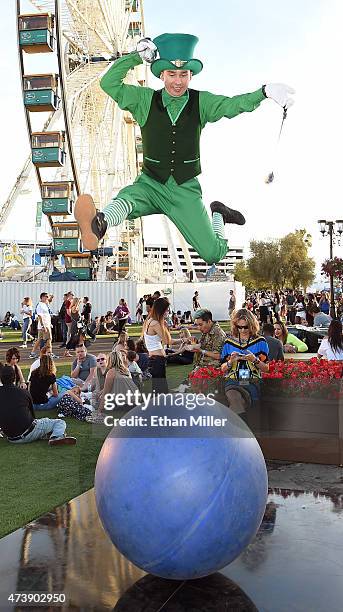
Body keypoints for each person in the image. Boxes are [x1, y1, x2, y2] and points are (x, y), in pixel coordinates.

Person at [75, 33, 294, 265]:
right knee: (128, 198)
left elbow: (232, 105)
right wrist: (136, 57)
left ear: (191, 75)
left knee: (212, 254)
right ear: (161, 74)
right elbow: (108, 83)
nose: (178, 81)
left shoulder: (202, 102)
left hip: (184, 190)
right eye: (171, 74)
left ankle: (218, 213)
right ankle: (99, 223)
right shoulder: (144, 100)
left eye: (183, 74)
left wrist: (264, 92)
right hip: (151, 183)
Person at [0, 365, 76, 446]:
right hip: (27, 433)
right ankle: (56, 437)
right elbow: (32, 417)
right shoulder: (23, 392)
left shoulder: (21, 392)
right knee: (59, 423)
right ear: (14, 377)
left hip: (11, 437)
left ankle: (47, 434)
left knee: (40, 426)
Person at [221, 309, 269, 415]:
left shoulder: (260, 342)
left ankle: (237, 429)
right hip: (233, 380)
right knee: (234, 398)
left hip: (252, 381)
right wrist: (231, 361)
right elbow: (223, 368)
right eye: (239, 327)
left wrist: (255, 360)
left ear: (252, 325)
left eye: (246, 327)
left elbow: (266, 368)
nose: (242, 330)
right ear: (235, 326)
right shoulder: (228, 343)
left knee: (239, 403)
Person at [142, 296, 172, 394]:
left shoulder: (149, 321)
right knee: (161, 390)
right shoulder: (155, 323)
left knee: (158, 388)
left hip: (155, 358)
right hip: (157, 360)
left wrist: (183, 340)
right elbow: (167, 340)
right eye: (166, 310)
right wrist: (165, 326)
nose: (167, 312)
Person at [29, 292, 52, 358]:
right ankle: (49, 353)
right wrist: (43, 325)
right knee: (48, 339)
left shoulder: (45, 304)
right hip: (44, 325)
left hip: (46, 325)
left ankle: (33, 352)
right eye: (45, 296)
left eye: (47, 297)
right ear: (41, 297)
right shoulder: (40, 305)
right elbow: (40, 316)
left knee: (40, 340)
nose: (47, 298)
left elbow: (46, 315)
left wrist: (49, 324)